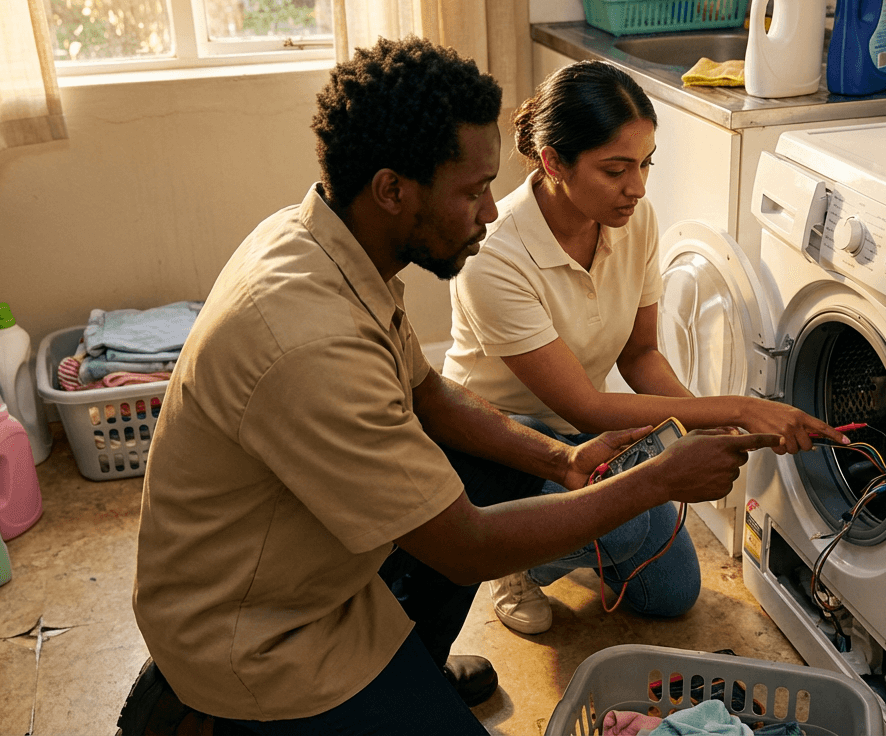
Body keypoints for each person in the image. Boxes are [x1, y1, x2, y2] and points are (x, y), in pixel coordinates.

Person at [124, 37, 782, 736]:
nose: (490, 211)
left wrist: (559, 460)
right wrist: (657, 480)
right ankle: (210, 717)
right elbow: (464, 544)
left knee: (491, 467)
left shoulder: (329, 247)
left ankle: (409, 660)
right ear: (392, 189)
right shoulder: (309, 337)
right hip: (259, 634)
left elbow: (430, 397)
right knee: (483, 522)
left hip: (314, 566)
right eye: (471, 192)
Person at [442, 60, 848, 636]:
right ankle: (519, 564)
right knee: (627, 530)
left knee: (672, 591)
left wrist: (702, 424)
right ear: (554, 163)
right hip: (503, 444)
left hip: (586, 436)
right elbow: (585, 404)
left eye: (645, 164)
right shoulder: (496, 255)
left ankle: (571, 538)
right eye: (615, 169)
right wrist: (735, 407)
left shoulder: (634, 220)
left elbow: (639, 356)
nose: (636, 187)